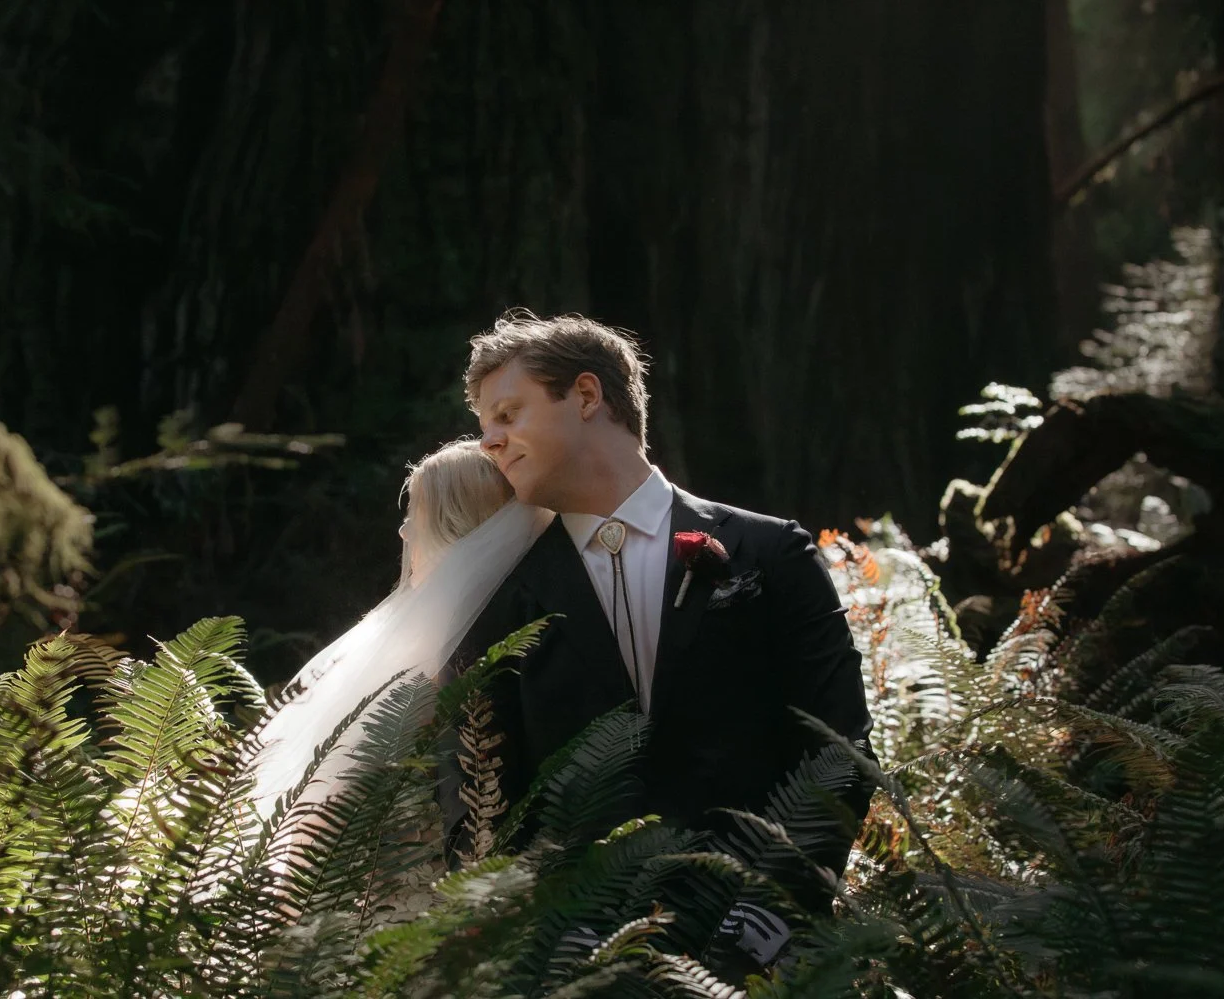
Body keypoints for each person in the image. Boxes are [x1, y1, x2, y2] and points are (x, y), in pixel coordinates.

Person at [443, 309, 877, 966]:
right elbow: (476, 793)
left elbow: (840, 750)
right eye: (485, 426)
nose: (490, 442)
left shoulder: (770, 554)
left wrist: (770, 916)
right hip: (575, 958)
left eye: (507, 414)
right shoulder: (499, 598)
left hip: (766, 950)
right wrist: (540, 936)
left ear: (585, 395)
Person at [248, 440, 553, 857]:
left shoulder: (464, 660)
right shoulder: (483, 638)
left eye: (417, 516)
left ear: (455, 528)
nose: (404, 532)